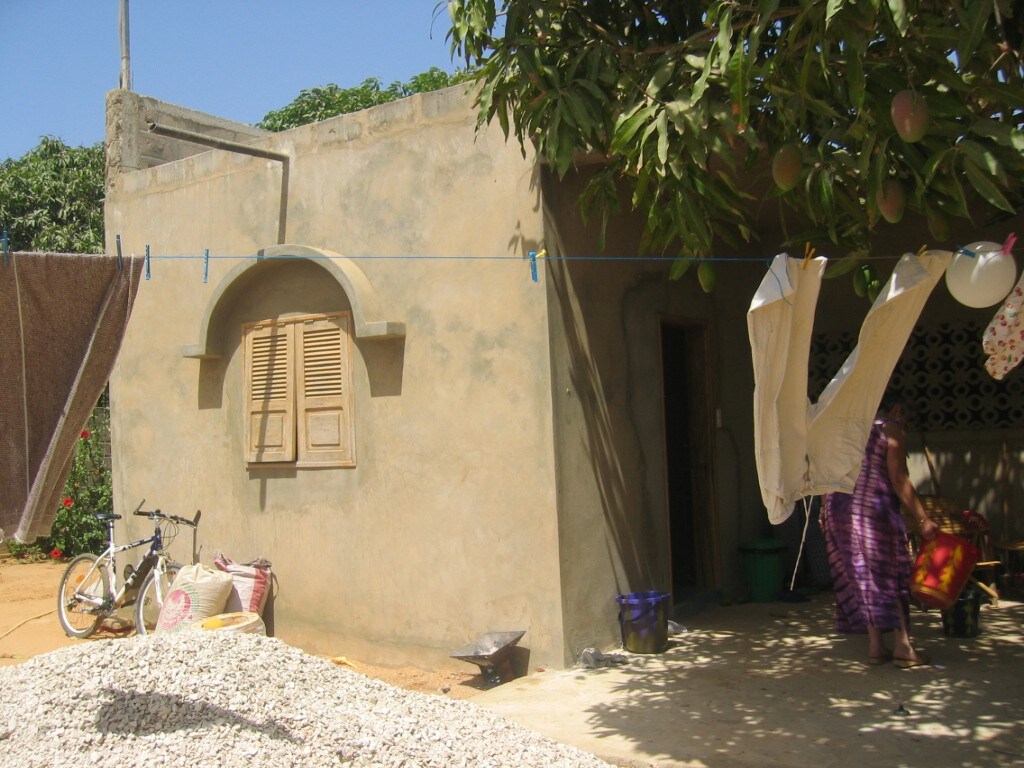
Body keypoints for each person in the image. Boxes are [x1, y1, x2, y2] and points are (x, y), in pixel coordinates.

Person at [820, 393, 939, 668]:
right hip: (872, 513)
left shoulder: (843, 429)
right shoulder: (889, 428)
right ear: (897, 408)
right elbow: (898, 478)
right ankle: (903, 647)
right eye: (906, 418)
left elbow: (824, 472)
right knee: (891, 574)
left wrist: (824, 510)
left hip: (838, 510)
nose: (905, 424)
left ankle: (876, 647)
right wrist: (923, 519)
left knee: (863, 575)